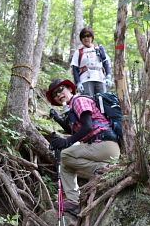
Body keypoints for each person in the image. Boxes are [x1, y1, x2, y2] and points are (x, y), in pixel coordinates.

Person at [46, 78, 120, 215]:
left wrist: (66, 142)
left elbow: (88, 126)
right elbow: (73, 131)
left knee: (66, 154)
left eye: (60, 89)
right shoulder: (72, 107)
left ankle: (104, 169)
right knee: (66, 164)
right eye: (55, 94)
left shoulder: (79, 101)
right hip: (104, 147)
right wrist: (58, 119)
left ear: (69, 88)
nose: (58, 94)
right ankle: (74, 203)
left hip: (104, 143)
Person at [71, 27, 113, 96]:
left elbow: (106, 63)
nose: (86, 38)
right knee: (88, 100)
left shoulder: (99, 50)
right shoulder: (78, 52)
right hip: (85, 79)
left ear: (92, 37)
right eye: (83, 36)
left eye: (88, 36)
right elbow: (75, 69)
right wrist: (78, 83)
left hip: (100, 78)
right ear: (81, 39)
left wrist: (108, 76)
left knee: (102, 100)